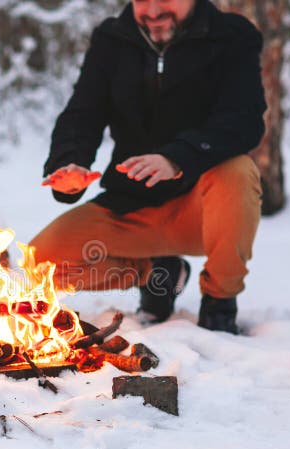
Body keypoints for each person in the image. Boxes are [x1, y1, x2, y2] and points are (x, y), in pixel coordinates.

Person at [30, 0, 267, 334]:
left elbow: (242, 120)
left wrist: (177, 158)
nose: (153, 10)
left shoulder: (230, 36)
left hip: (205, 209)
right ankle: (158, 274)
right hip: (132, 205)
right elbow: (83, 113)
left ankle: (219, 302)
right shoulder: (112, 40)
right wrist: (69, 165)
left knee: (237, 171)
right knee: (41, 262)